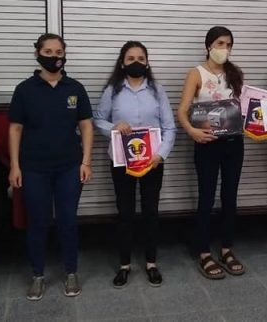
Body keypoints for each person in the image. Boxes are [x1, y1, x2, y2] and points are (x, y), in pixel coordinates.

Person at [8, 33, 94, 300]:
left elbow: (86, 125)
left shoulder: (75, 88)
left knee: (68, 221)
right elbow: (15, 128)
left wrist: (86, 161)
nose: (54, 57)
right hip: (33, 168)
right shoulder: (24, 90)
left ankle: (71, 272)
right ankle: (37, 275)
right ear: (37, 54)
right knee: (38, 223)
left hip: (69, 167)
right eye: (48, 52)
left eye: (59, 52)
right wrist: (14, 166)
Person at [93, 41, 176, 288]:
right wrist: (113, 127)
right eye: (130, 58)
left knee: (151, 211)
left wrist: (161, 154)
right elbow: (97, 120)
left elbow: (169, 127)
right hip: (122, 161)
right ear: (122, 63)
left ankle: (151, 263)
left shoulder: (157, 90)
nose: (136, 62)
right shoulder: (112, 90)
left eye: (141, 57)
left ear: (147, 62)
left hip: (152, 161)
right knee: (125, 213)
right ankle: (124, 265)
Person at [176, 26, 246, 280]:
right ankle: (203, 251)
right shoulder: (196, 73)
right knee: (206, 197)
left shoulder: (235, 74)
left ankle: (227, 248)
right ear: (209, 46)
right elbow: (182, 110)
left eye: (228, 44)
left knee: (230, 196)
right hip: (206, 144)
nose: (224, 48)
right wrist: (192, 132)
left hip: (234, 144)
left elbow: (245, 108)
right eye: (219, 43)